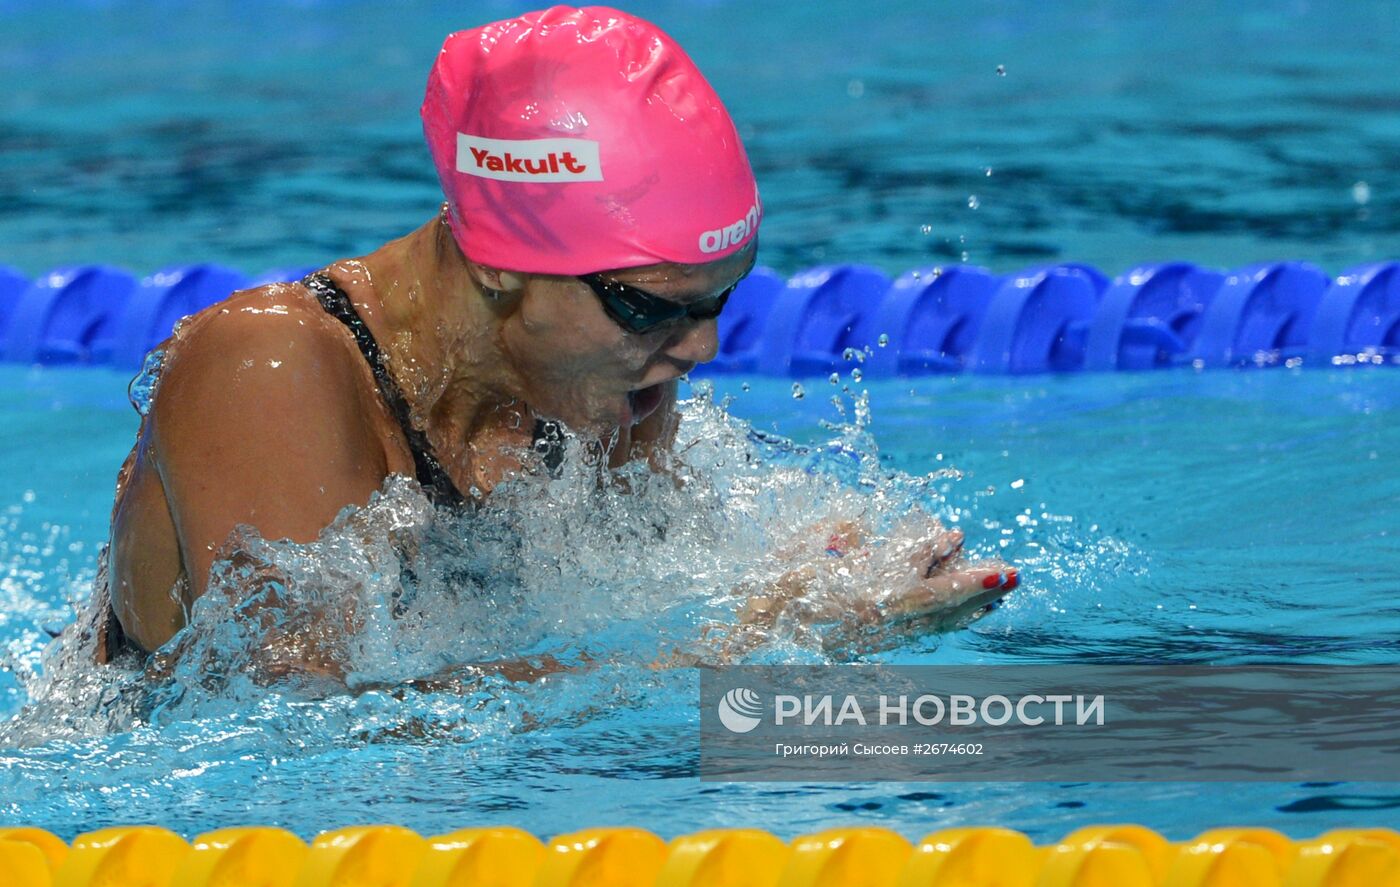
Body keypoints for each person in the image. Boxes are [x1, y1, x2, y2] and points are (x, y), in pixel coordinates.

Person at [79, 6, 1015, 674]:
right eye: (653, 307)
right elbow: (302, 724)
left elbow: (635, 598)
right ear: (499, 262)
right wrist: (754, 643)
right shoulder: (269, 368)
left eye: (720, 301)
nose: (701, 349)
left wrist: (813, 583)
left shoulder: (604, 373)